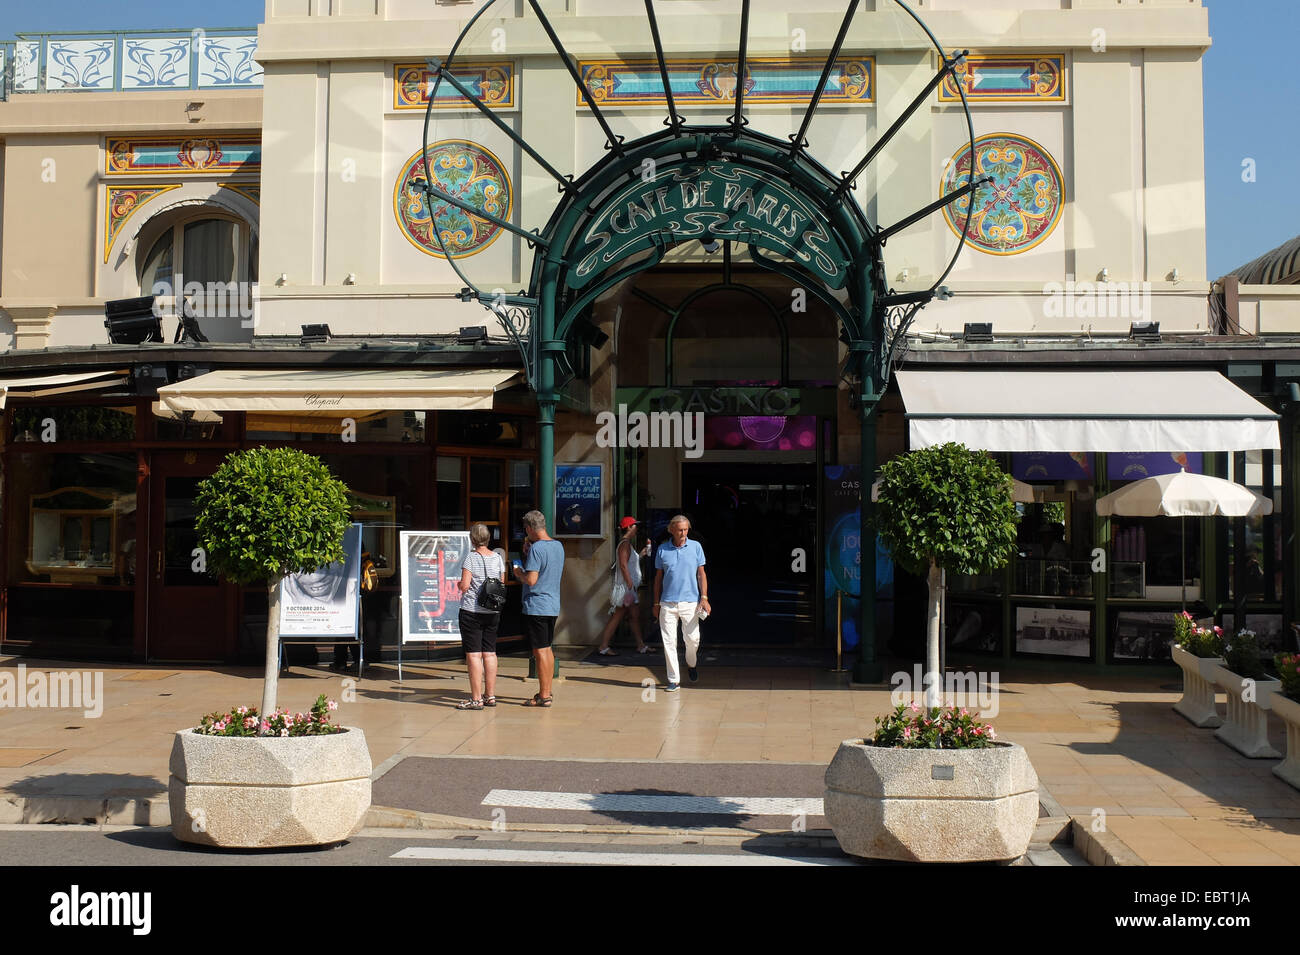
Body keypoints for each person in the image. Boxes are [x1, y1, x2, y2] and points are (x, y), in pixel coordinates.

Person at [652, 514, 710, 691]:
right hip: (667, 603)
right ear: (672, 530)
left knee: (693, 640)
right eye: (680, 530)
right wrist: (656, 603)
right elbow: (658, 579)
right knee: (669, 641)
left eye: (686, 529)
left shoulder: (696, 547)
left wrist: (704, 597)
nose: (683, 533)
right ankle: (674, 680)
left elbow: (701, 574)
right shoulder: (662, 550)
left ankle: (691, 664)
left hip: (690, 602)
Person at [512, 509, 564, 707]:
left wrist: (518, 572)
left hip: (537, 605)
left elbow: (532, 579)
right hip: (552, 604)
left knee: (540, 651)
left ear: (529, 528)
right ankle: (547, 690)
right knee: (547, 649)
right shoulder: (558, 546)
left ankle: (544, 695)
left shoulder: (537, 549)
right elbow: (547, 569)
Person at [455, 523, 506, 710]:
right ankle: (490, 696)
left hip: (472, 611)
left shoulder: (470, 558)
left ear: (472, 539)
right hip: (493, 611)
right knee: (490, 653)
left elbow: (466, 585)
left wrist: (459, 584)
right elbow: (501, 583)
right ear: (487, 538)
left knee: (474, 656)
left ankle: (476, 699)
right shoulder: (498, 558)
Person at [595, 516, 651, 656]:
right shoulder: (625, 544)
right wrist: (630, 583)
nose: (636, 528)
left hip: (628, 589)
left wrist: (642, 554)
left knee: (632, 615)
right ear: (629, 528)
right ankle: (604, 646)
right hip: (627, 589)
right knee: (621, 616)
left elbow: (629, 563)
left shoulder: (626, 544)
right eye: (634, 526)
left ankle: (640, 645)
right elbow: (623, 565)